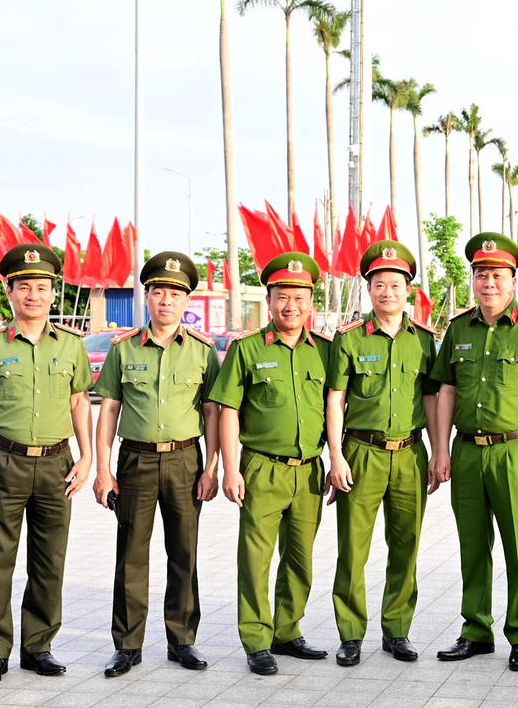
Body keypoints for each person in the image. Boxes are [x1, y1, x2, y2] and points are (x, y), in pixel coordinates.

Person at [0, 244, 93, 686]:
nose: (33, 294)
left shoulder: (71, 346)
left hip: (57, 463)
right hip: (3, 460)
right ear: (10, 291)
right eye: (24, 287)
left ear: (53, 293)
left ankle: (39, 647)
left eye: (41, 287)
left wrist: (88, 455)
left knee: (49, 560)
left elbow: (79, 402)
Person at [429, 232, 518, 671]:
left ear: (513, 281)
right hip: (468, 451)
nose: (489, 283)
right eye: (481, 275)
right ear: (473, 280)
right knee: (472, 545)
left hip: (516, 450)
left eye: (497, 276)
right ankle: (475, 630)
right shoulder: (458, 329)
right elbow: (446, 388)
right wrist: (442, 448)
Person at [93, 252, 222, 677]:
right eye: (158, 292)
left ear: (187, 301)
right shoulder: (124, 348)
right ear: (146, 297)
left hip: (186, 458)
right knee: (130, 554)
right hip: (136, 461)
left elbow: (212, 412)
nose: (166, 300)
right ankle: (127, 645)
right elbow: (109, 409)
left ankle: (182, 640)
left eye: (175, 293)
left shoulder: (203, 352)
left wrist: (212, 466)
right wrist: (103, 468)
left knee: (183, 551)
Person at [207, 252, 332, 675]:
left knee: (300, 557)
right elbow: (228, 410)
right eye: (282, 296)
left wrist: (335, 461)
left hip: (311, 470)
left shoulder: (326, 352)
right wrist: (231, 468)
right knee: (256, 558)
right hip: (262, 467)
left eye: (299, 297)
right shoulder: (246, 350)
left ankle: (288, 630)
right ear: (270, 299)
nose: (290, 305)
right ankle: (257, 640)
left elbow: (337, 409)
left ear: (311, 302)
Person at [327, 240, 439, 666]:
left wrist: (437, 450)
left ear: (407, 289)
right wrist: (336, 456)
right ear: (368, 289)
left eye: (394, 284)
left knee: (406, 545)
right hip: (362, 452)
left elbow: (432, 401)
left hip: (410, 453)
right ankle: (351, 633)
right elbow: (335, 398)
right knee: (353, 547)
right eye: (378, 284)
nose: (386, 292)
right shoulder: (350, 339)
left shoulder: (426, 341)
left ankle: (397, 630)